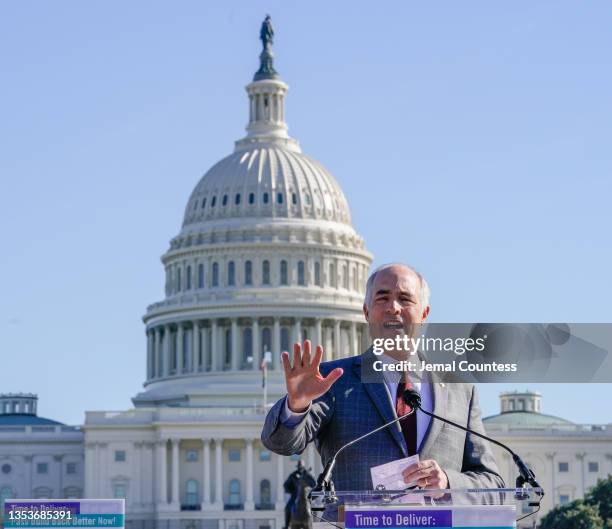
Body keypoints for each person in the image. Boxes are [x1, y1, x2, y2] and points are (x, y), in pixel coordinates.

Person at [261, 263, 504, 492]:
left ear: (425, 313)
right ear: (366, 312)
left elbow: (492, 482)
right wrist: (297, 405)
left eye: (405, 299)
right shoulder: (333, 381)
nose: (393, 308)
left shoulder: (459, 389)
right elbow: (282, 444)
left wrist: (448, 481)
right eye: (383, 298)